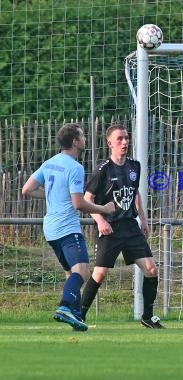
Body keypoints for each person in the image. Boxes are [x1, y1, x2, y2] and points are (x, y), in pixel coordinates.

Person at [22, 123, 115, 331]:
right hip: (66, 227)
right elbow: (78, 203)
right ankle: (64, 307)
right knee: (82, 272)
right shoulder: (74, 167)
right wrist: (104, 208)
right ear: (75, 141)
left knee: (70, 272)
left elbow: (27, 190)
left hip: (50, 229)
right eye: (82, 136)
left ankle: (74, 316)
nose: (84, 139)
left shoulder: (49, 163)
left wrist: (50, 195)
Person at [79, 122, 165, 328]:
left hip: (130, 227)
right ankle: (79, 315)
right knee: (100, 274)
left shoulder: (135, 166)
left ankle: (148, 316)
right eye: (120, 139)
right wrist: (99, 221)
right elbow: (87, 198)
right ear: (110, 143)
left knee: (151, 270)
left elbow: (135, 193)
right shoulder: (103, 170)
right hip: (110, 227)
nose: (125, 142)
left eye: (126, 138)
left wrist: (143, 219)